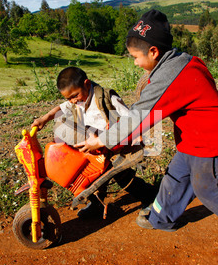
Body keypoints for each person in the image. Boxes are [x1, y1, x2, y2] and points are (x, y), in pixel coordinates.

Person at [75, 10, 218, 233]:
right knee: (175, 178)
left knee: (208, 190)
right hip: (194, 141)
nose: (135, 63)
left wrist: (102, 140)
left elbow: (138, 117)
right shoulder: (180, 61)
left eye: (136, 57)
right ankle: (161, 217)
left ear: (153, 52)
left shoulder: (171, 77)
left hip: (214, 143)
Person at [31, 66, 155, 218]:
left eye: (75, 96)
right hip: (95, 146)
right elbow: (61, 109)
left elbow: (130, 118)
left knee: (121, 175)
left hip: (114, 144)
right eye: (68, 98)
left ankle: (150, 198)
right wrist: (44, 118)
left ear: (87, 84)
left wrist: (138, 136)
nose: (73, 101)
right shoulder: (76, 100)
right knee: (93, 175)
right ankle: (96, 204)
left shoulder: (107, 98)